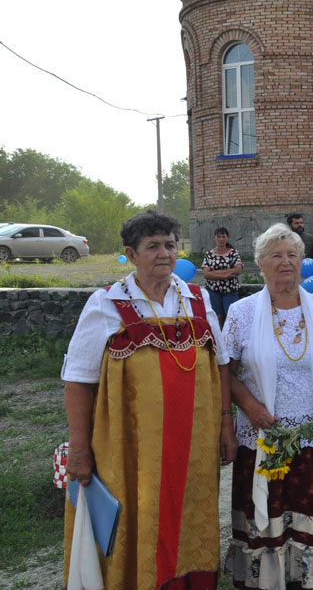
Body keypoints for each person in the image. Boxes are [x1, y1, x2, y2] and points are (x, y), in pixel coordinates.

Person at [62, 210, 235, 588]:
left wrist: (226, 424)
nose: (164, 254)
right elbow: (77, 381)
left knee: (193, 517)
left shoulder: (198, 299)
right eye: (152, 246)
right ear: (131, 253)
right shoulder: (105, 305)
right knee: (140, 519)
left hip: (194, 447)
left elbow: (221, 364)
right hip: (131, 449)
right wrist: (79, 449)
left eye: (170, 245)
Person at [223, 223, 313, 588]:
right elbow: (225, 372)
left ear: (303, 262)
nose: (286, 262)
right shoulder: (241, 313)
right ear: (260, 264)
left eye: (293, 255)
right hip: (265, 435)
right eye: (276, 256)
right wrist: (250, 408)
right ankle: (270, 574)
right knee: (272, 511)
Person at [202, 225, 243, 326]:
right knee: (217, 318)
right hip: (213, 291)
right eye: (219, 237)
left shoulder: (233, 253)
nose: (221, 239)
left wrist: (215, 273)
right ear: (214, 238)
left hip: (230, 290)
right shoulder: (209, 254)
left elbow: (238, 270)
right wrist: (225, 275)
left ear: (227, 238)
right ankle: (219, 339)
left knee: (231, 317)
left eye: (223, 236)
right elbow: (206, 274)